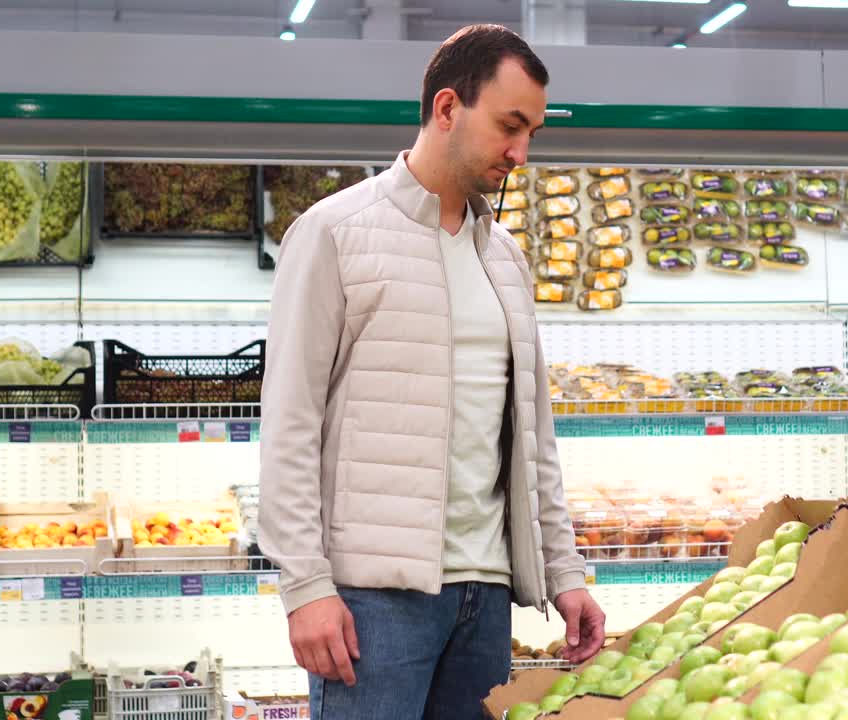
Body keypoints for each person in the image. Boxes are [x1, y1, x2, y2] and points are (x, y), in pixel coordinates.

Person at [258, 23, 606, 720]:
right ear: (447, 108)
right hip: (373, 602)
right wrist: (304, 586)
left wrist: (565, 573)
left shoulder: (504, 257)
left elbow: (533, 437)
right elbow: (290, 425)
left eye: (533, 132)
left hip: (487, 595)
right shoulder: (335, 233)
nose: (522, 151)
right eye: (511, 126)